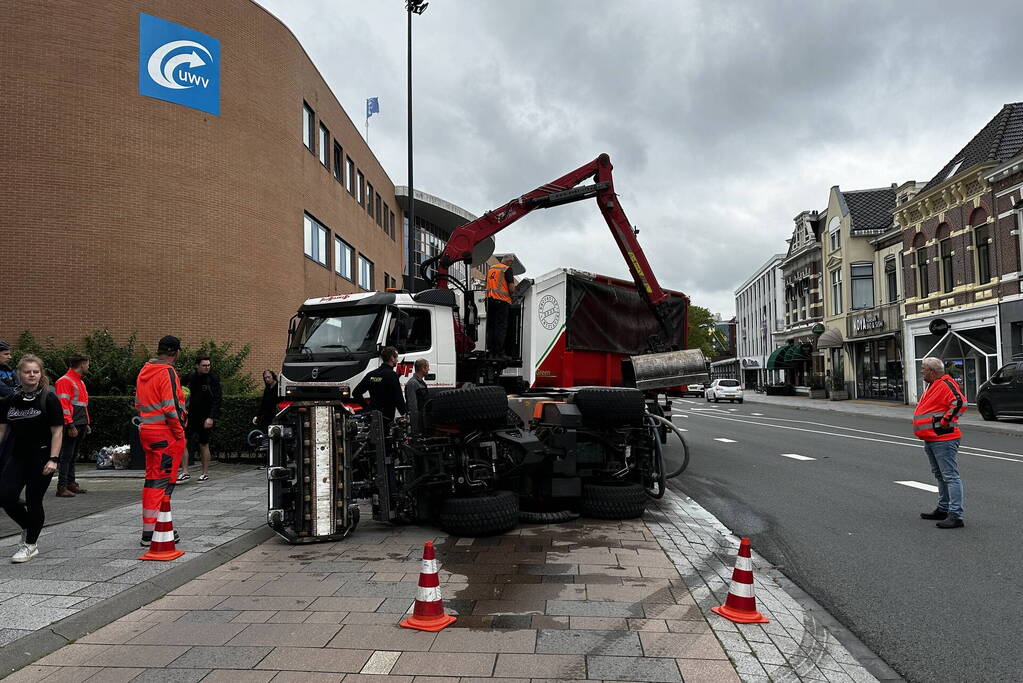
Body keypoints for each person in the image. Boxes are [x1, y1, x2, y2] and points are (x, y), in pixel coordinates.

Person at [0, 355, 64, 563]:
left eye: (35, 371)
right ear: (20, 374)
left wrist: (53, 459)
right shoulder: (10, 400)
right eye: (27, 372)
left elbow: (57, 432)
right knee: (5, 496)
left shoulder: (48, 398)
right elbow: (1, 430)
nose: (32, 375)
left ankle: (30, 545)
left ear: (40, 373)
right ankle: (29, 526)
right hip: (17, 456)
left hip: (42, 457)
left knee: (34, 500)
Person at [135, 335, 187, 547]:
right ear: (176, 352)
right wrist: (180, 433)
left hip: (147, 430)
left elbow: (138, 402)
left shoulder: (144, 370)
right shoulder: (167, 372)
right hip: (165, 434)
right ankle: (155, 530)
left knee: (152, 480)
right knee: (164, 482)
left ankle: (149, 529)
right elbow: (170, 407)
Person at [913, 356, 967, 529]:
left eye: (923, 369)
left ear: (932, 371)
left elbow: (960, 402)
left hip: (943, 439)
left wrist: (944, 423)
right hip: (932, 438)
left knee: (950, 476)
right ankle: (943, 508)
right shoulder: (934, 385)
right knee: (940, 475)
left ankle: (955, 514)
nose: (921, 371)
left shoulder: (945, 383)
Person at [54, 354, 91, 497]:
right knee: (66, 455)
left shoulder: (80, 382)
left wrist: (86, 422)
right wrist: (70, 425)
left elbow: (83, 405)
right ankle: (62, 486)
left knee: (73, 455)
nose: (88, 367)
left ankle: (70, 483)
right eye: (87, 364)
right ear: (82, 364)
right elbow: (63, 405)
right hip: (72, 424)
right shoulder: (65, 381)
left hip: (79, 423)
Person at [181, 355, 221, 482]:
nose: (207, 367)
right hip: (191, 415)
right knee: (182, 442)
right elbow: (179, 389)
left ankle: (205, 473)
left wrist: (211, 417)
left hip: (205, 416)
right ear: (197, 365)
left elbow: (217, 399)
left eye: (208, 365)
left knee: (203, 444)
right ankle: (185, 471)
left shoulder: (213, 379)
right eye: (204, 365)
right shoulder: (190, 377)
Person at [353, 346, 406, 421]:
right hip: (387, 416)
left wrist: (367, 408)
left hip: (372, 415)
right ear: (392, 358)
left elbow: (356, 393)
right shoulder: (392, 375)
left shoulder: (371, 375)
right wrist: (404, 413)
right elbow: (398, 397)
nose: (397, 360)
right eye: (396, 358)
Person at [485, 254, 516, 358]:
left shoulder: (491, 269)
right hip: (501, 301)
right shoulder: (507, 269)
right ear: (510, 262)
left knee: (491, 327)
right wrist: (514, 294)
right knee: (500, 328)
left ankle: (491, 352)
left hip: (489, 300)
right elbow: (511, 289)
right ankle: (499, 353)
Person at [403, 359, 430, 433]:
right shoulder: (412, 383)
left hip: (422, 419)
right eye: (427, 367)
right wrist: (415, 426)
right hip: (417, 421)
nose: (429, 369)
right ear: (423, 368)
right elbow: (413, 406)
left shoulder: (421, 382)